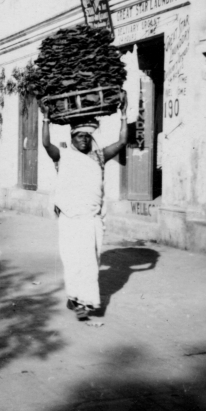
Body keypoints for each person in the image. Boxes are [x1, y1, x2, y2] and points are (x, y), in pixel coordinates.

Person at [41, 92, 128, 322]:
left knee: (92, 260)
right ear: (72, 138)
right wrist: (46, 119)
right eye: (79, 136)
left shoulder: (98, 157)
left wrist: (124, 114)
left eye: (87, 137)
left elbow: (122, 142)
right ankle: (80, 302)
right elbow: (46, 144)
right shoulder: (63, 157)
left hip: (92, 220)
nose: (84, 140)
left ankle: (80, 297)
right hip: (70, 220)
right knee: (74, 260)